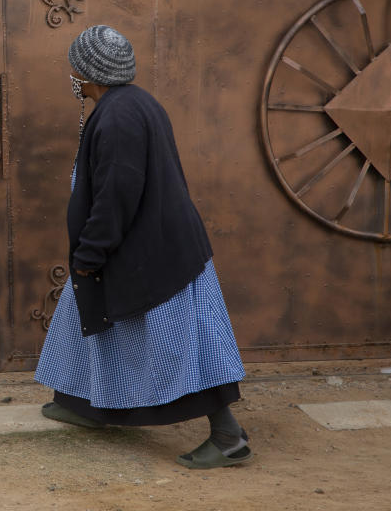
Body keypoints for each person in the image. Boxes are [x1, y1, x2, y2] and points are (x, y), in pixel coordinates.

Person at [34, 25, 251, 469]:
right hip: (158, 245)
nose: (70, 72)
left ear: (89, 72)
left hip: (154, 255)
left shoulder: (117, 118)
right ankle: (83, 405)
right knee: (82, 320)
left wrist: (90, 255)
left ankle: (227, 435)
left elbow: (117, 195)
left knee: (182, 347)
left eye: (75, 65)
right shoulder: (135, 103)